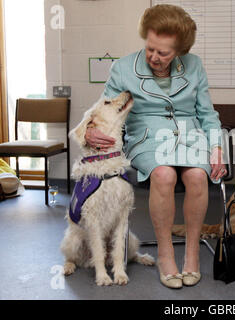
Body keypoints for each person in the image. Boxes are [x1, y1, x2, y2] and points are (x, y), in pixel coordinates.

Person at [84, 4, 227, 289]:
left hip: (189, 134)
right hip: (146, 135)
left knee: (198, 176)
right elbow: (105, 108)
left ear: (181, 51)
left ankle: (192, 253)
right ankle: (165, 255)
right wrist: (89, 129)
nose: (154, 57)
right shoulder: (123, 67)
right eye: (150, 48)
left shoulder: (195, 65)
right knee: (164, 174)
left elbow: (207, 114)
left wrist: (216, 147)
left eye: (164, 53)